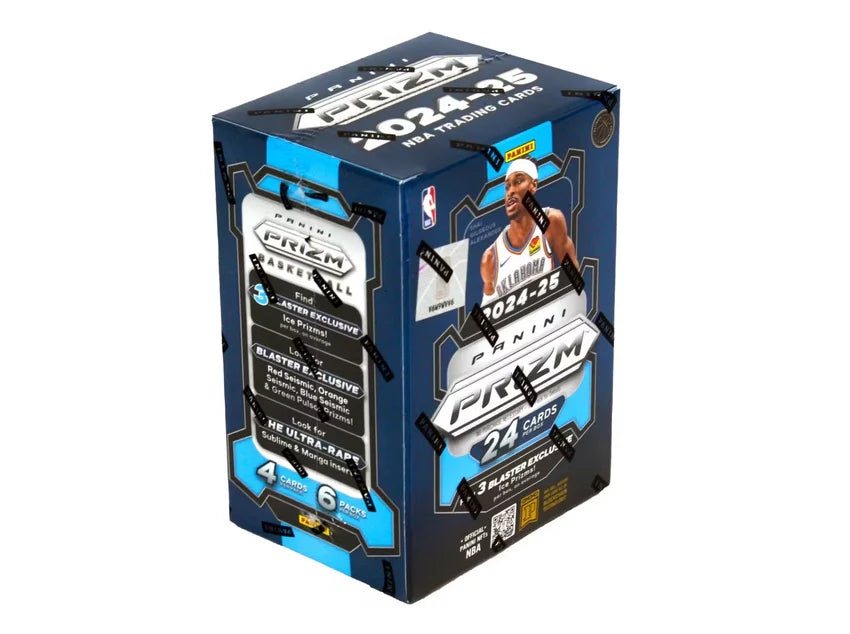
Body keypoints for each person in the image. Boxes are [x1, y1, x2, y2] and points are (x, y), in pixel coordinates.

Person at [480, 158, 578, 303]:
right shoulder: (491, 257)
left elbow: (574, 279)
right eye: (507, 187)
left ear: (533, 185)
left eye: (518, 182)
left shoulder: (551, 222)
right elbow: (487, 313)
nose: (510, 192)